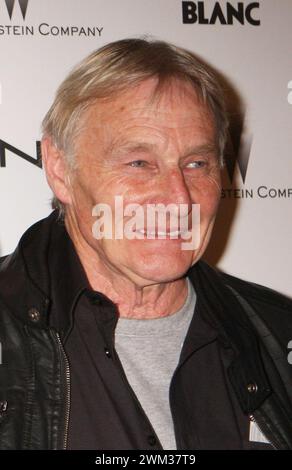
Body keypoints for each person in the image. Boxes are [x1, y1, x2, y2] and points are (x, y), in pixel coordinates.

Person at [0, 38, 292, 451]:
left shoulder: (277, 335)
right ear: (60, 169)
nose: (178, 198)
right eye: (139, 163)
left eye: (196, 164)